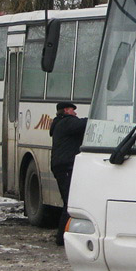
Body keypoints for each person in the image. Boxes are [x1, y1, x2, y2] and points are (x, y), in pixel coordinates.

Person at [50, 101, 87, 246]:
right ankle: (62, 238)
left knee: (69, 202)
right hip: (66, 167)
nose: (75, 113)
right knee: (70, 203)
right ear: (66, 110)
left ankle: (64, 236)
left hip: (62, 167)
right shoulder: (67, 123)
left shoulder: (59, 123)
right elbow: (84, 124)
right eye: (73, 110)